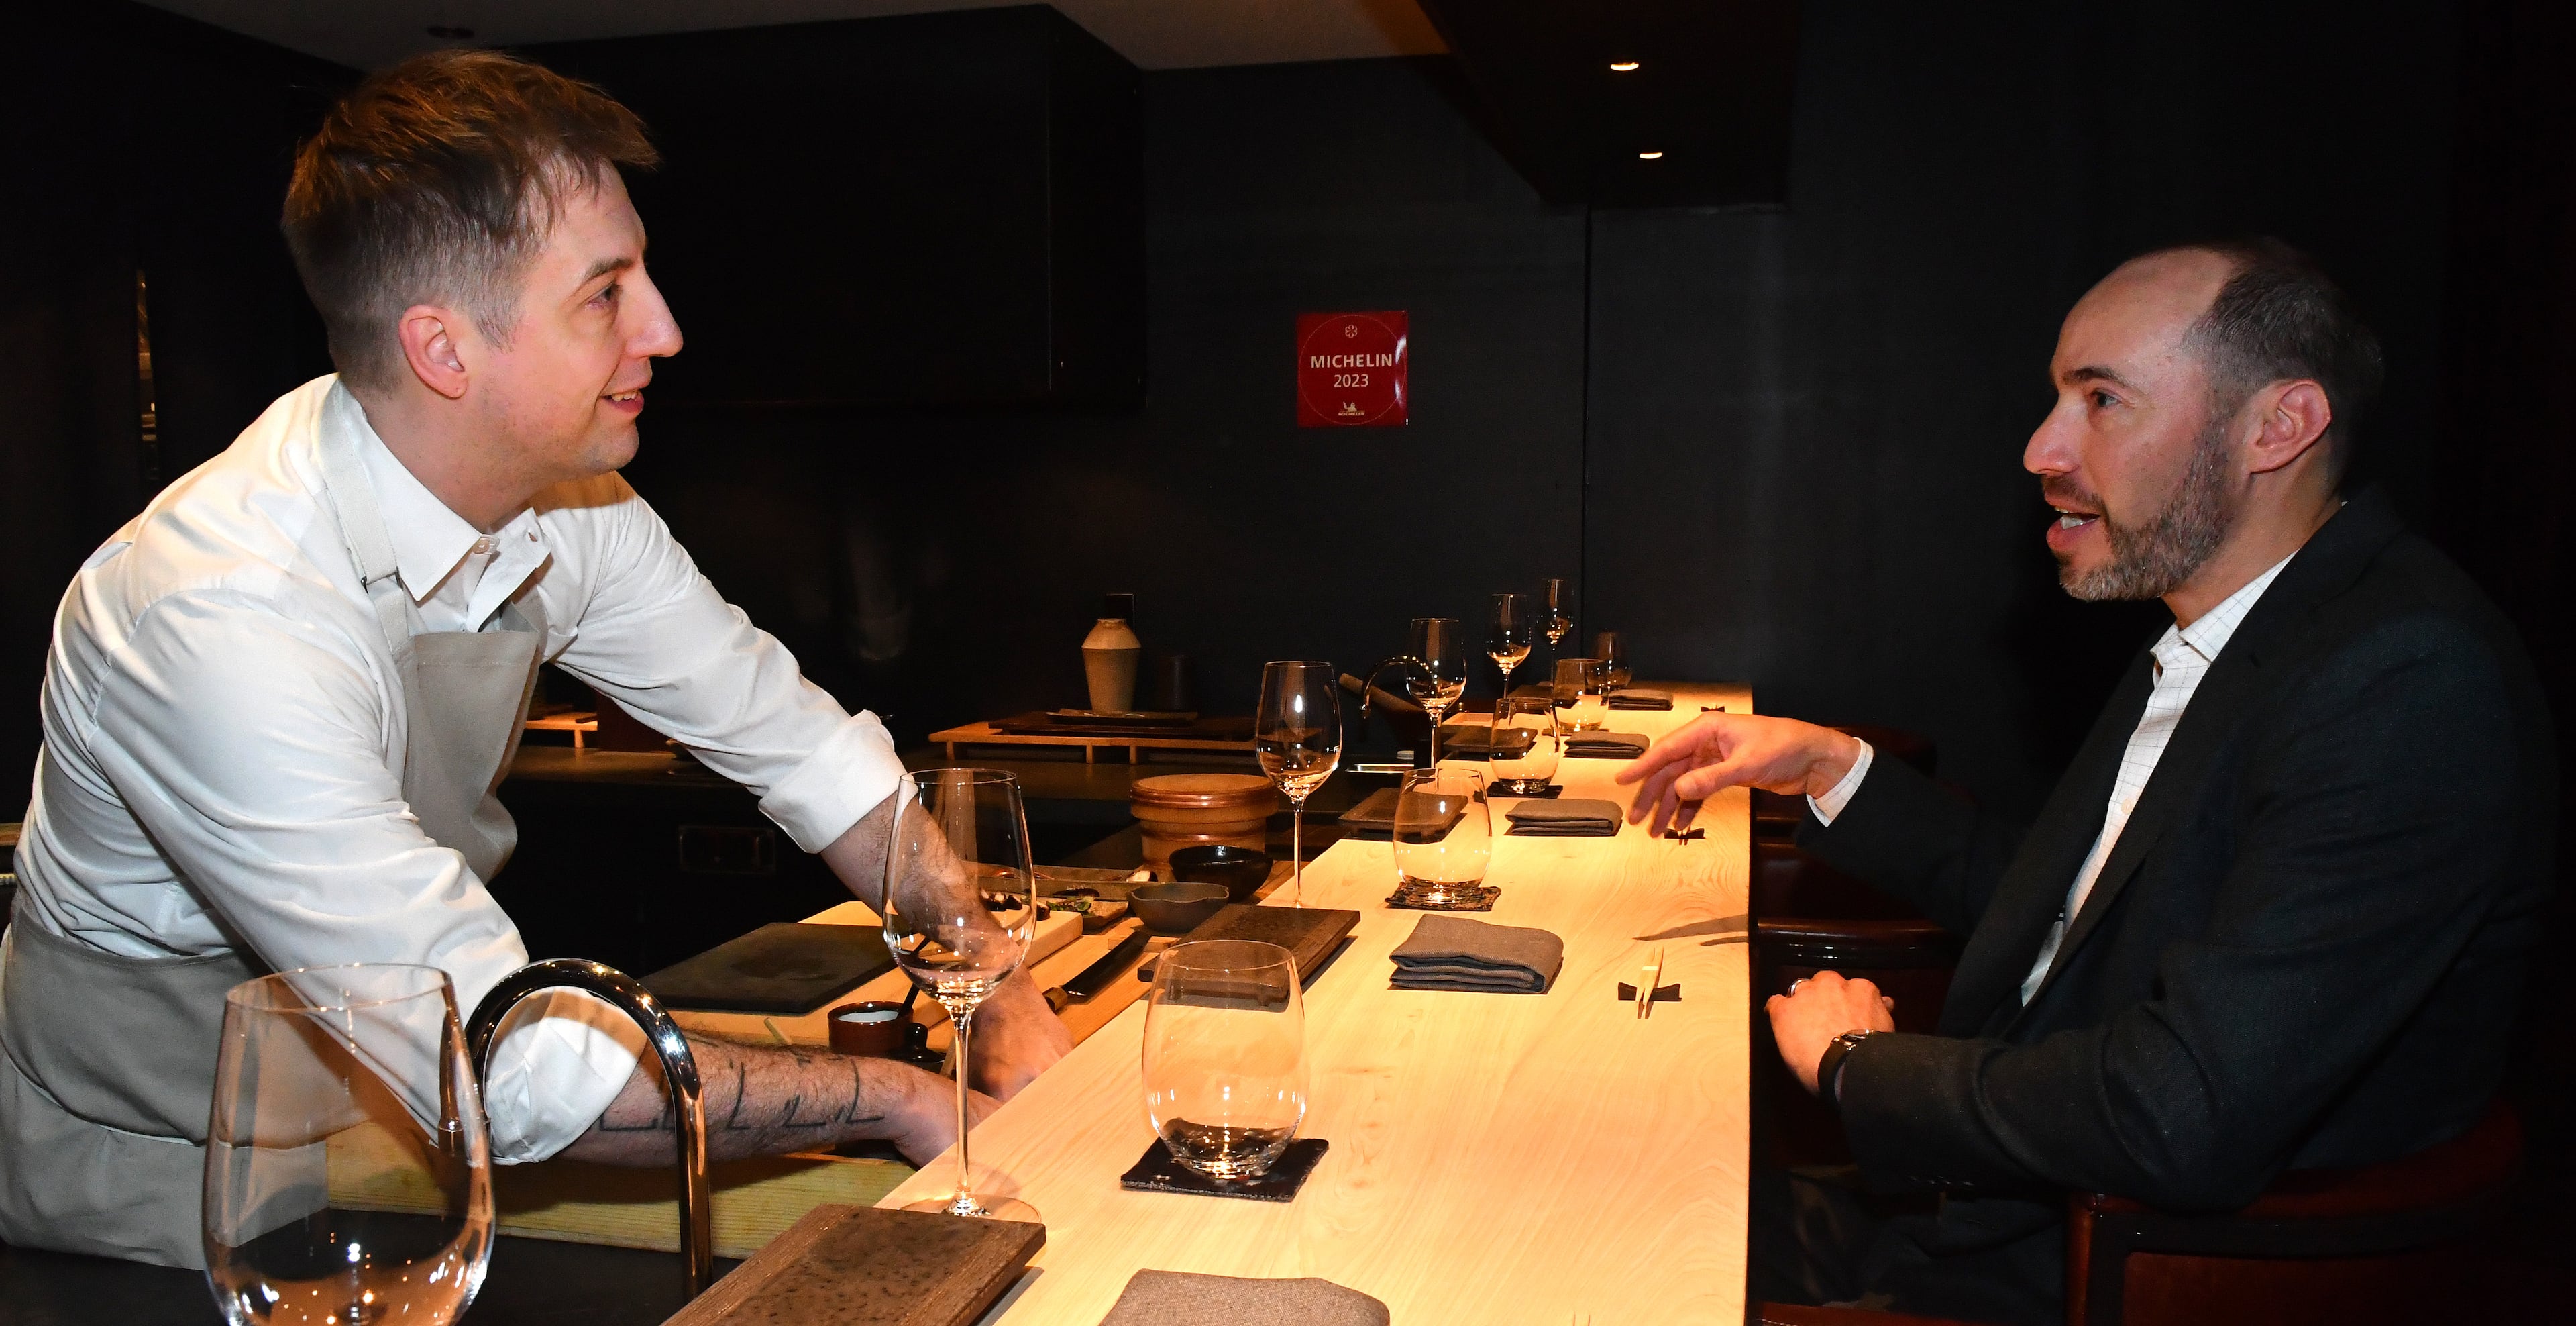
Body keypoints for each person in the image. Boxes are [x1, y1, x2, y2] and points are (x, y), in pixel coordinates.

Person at [0, 50, 1070, 1267]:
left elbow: (805, 750)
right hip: (153, 1181)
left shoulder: (577, 508)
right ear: (445, 350)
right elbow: (521, 1076)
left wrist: (997, 981)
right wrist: (898, 1098)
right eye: (606, 294)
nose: (664, 329)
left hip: (404, 1117)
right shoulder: (217, 611)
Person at [1619, 239, 2554, 1323]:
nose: (2040, 449)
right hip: (1986, 1226)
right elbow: (2066, 908)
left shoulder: (2404, 679)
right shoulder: (2232, 628)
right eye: (2059, 396)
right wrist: (1834, 766)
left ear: (2279, 426)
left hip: (2081, 1279)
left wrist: (1860, 1069)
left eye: (2102, 400)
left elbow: (2182, 1110)